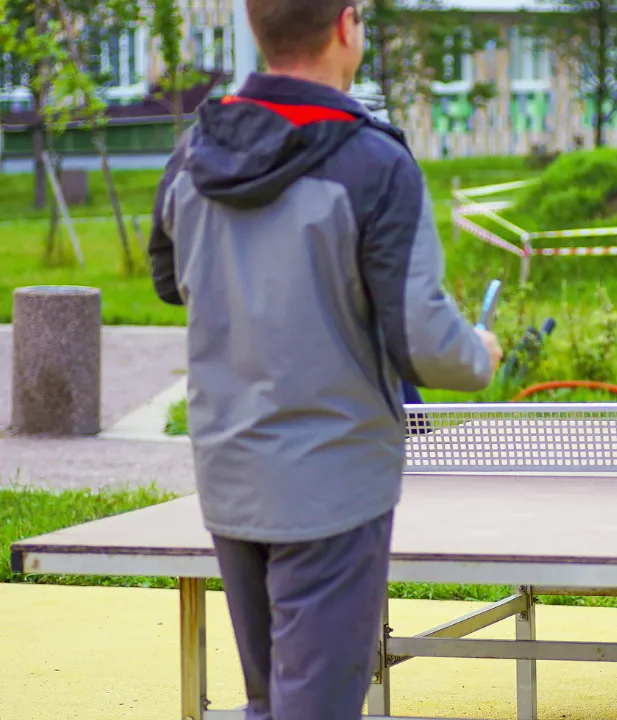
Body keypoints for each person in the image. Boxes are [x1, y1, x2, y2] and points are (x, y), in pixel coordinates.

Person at [147, 1, 502, 718]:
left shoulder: (193, 152)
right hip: (333, 484)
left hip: (228, 469)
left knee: (270, 698)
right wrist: (481, 354)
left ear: (256, 29)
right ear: (347, 25)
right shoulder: (373, 161)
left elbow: (166, 278)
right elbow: (427, 345)